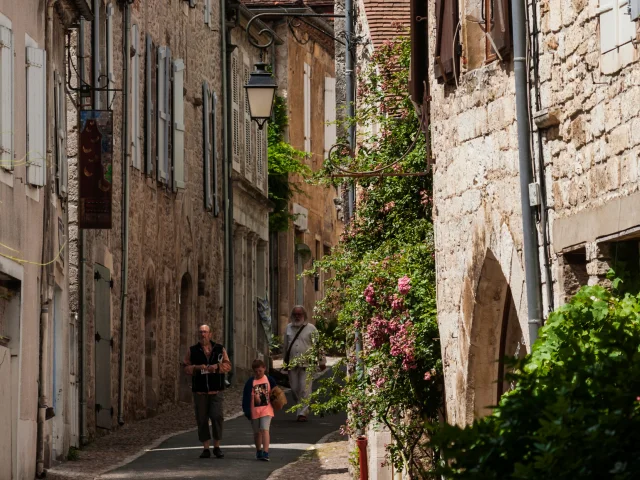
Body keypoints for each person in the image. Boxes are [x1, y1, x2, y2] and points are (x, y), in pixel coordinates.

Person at [183, 324, 232, 459]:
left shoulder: (219, 349)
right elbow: (185, 367)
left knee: (217, 417)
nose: (203, 334)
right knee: (202, 419)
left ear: (210, 334)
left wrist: (216, 367)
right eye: (201, 332)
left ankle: (217, 446)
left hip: (216, 390)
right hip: (200, 391)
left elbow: (228, 365)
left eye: (205, 332)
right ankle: (205, 448)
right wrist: (197, 367)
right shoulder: (192, 350)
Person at [283, 305, 326, 422]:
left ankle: (302, 413)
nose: (297, 317)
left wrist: (322, 361)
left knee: (304, 388)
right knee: (294, 388)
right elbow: (285, 346)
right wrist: (285, 362)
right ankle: (300, 407)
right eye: (295, 315)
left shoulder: (311, 329)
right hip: (292, 363)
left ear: (304, 316)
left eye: (299, 314)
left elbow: (318, 346)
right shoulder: (288, 328)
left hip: (307, 364)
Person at [242, 359, 277, 461]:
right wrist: (246, 410)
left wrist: (277, 402)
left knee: (265, 430)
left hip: (267, 410)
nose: (258, 373)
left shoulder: (269, 380)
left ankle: (266, 452)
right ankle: (258, 451)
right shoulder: (250, 382)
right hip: (255, 411)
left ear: (264, 369)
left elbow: (276, 393)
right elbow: (246, 397)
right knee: (257, 433)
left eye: (260, 371)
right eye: (256, 371)